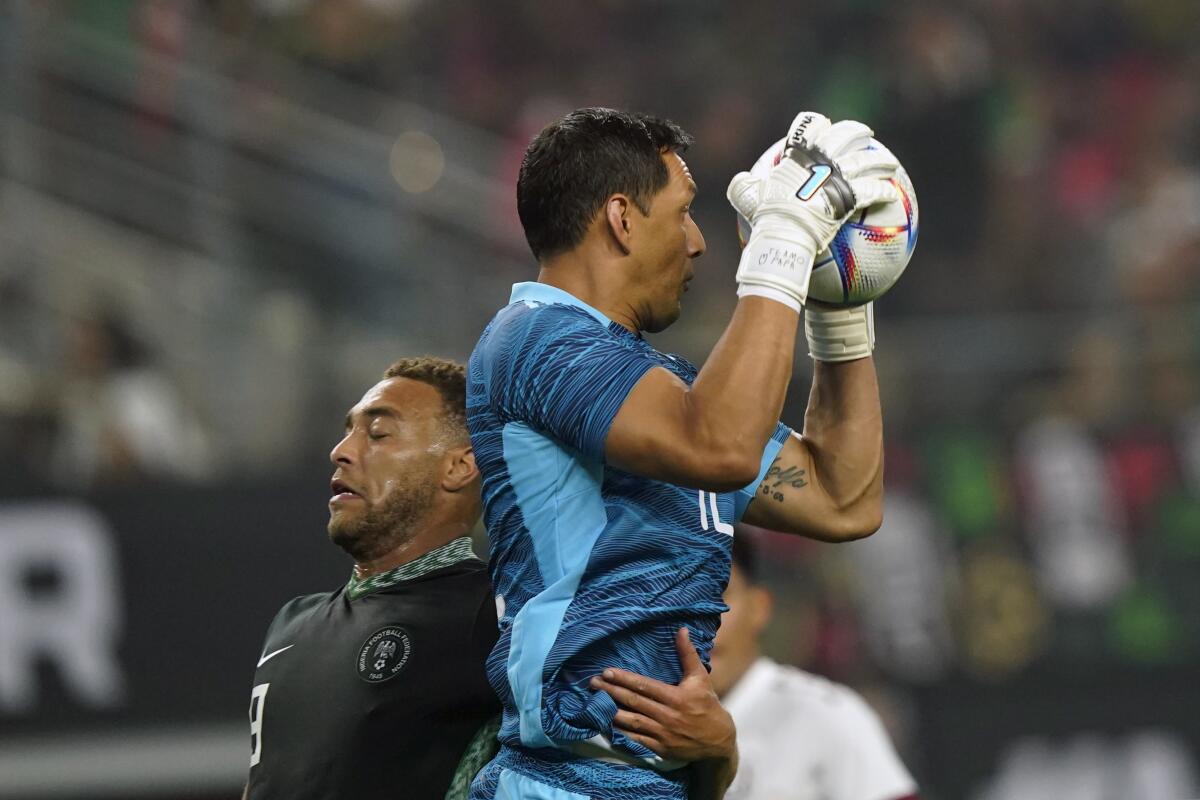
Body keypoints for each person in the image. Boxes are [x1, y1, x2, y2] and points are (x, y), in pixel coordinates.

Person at [466, 107, 902, 800]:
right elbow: (720, 445)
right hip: (565, 783)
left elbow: (844, 498)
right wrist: (784, 242)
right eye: (684, 211)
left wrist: (840, 305)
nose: (698, 241)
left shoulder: (663, 398)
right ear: (621, 217)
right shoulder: (535, 339)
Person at [243, 357, 500, 800]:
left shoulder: (497, 611)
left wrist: (665, 742)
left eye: (378, 433)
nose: (341, 450)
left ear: (459, 467)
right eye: (349, 430)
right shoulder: (291, 625)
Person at [711, 531, 918, 800]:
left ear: (759, 607)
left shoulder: (827, 718)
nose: (698, 622)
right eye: (676, 600)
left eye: (717, 595)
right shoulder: (640, 730)